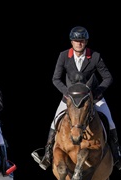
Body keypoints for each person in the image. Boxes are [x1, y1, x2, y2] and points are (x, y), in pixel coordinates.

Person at [31, 26, 121, 171]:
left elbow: (108, 77)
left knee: (110, 122)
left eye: (82, 41)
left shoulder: (95, 56)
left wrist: (97, 93)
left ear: (86, 42)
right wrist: (67, 93)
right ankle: (47, 155)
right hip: (70, 99)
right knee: (54, 122)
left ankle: (116, 155)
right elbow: (55, 79)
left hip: (93, 98)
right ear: (72, 42)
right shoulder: (64, 56)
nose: (79, 43)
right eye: (76, 40)